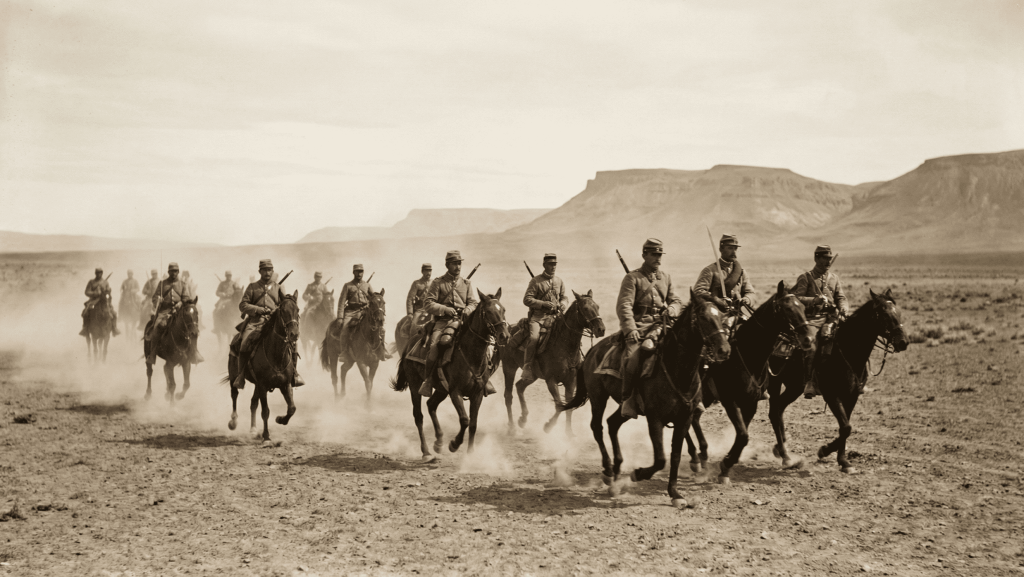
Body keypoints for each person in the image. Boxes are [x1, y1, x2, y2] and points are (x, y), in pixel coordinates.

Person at [617, 239, 683, 418]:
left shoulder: (666, 277)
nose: (658, 258)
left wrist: (671, 309)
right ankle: (628, 399)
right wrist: (630, 330)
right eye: (654, 254)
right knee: (632, 358)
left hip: (663, 326)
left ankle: (692, 396)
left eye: (660, 254)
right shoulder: (632, 278)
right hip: (640, 327)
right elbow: (624, 306)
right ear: (644, 255)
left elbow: (676, 301)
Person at [420, 250, 492, 395]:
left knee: (485, 345)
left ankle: (485, 379)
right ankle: (428, 381)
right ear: (447, 265)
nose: (458, 267)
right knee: (434, 347)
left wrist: (468, 309)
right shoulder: (438, 283)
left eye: (459, 263)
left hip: (463, 322)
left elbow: (473, 302)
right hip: (443, 323)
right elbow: (428, 304)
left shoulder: (466, 283)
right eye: (454, 264)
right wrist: (445, 309)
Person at [233, 259, 305, 389]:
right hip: (256, 322)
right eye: (264, 270)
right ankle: (241, 375)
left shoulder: (278, 287)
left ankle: (294, 373)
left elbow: (284, 305)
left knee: (293, 343)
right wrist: (258, 310)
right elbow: (243, 305)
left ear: (272, 271)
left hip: (274, 323)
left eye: (270, 270)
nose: (267, 272)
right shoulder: (252, 287)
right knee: (244, 343)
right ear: (260, 271)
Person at [791, 245, 848, 398]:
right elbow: (797, 299)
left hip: (831, 318)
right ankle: (809, 381)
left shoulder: (834, 278)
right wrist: (815, 300)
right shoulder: (806, 278)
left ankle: (856, 378)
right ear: (816, 258)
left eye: (830, 259)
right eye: (825, 258)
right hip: (813, 319)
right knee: (811, 345)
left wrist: (843, 308)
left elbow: (841, 297)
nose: (828, 262)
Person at [519, 253, 568, 381]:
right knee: (534, 338)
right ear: (544, 265)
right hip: (539, 318)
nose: (553, 267)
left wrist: (562, 304)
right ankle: (527, 366)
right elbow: (527, 299)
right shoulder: (535, 281)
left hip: (555, 317)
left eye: (554, 264)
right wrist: (543, 304)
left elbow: (564, 297)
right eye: (550, 264)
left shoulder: (559, 281)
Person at [693, 234, 754, 320]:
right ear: (721, 249)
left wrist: (746, 299)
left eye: (735, 248)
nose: (734, 252)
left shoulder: (741, 272)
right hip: (716, 317)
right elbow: (698, 292)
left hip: (736, 315)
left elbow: (750, 292)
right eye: (730, 248)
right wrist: (717, 300)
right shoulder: (710, 270)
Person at [335, 264, 388, 361]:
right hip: (351, 311)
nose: (359, 273)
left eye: (361, 271)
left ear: (363, 273)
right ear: (353, 272)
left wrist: (379, 297)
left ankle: (382, 350)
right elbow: (341, 302)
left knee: (380, 328)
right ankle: (344, 352)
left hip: (364, 310)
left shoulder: (367, 285)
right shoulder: (348, 286)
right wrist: (340, 318)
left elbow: (374, 298)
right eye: (357, 271)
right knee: (345, 329)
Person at [145, 263, 195, 364]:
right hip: (164, 311)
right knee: (156, 327)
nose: (174, 273)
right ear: (168, 272)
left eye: (176, 271)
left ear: (178, 272)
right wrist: (158, 300)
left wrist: (180, 303)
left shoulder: (182, 284)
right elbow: (154, 297)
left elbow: (186, 298)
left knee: (192, 328)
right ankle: (152, 355)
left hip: (179, 311)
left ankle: (194, 354)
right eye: (172, 271)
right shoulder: (162, 283)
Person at [81, 268, 120, 336]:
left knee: (113, 313)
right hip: (93, 301)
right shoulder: (91, 282)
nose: (99, 274)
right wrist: (95, 293)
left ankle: (114, 328)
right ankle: (85, 328)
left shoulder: (105, 282)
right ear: (95, 273)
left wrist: (106, 290)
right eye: (97, 273)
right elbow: (86, 292)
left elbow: (108, 291)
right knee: (85, 312)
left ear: (102, 273)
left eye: (100, 273)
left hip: (104, 300)